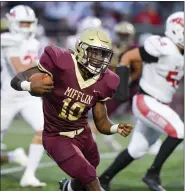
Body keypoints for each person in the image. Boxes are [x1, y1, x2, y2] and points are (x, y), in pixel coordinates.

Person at [10, 28, 133, 191]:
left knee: (87, 173)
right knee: (89, 175)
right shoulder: (61, 61)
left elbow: (101, 121)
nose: (98, 59)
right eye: (94, 52)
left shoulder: (108, 80)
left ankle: (68, 188)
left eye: (103, 54)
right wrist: (28, 85)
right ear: (81, 49)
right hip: (56, 136)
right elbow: (17, 79)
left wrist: (116, 127)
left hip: (84, 134)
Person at [99, 11, 184, 191]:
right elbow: (128, 57)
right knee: (178, 130)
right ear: (177, 30)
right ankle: (152, 174)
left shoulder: (180, 53)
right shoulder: (163, 46)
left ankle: (103, 180)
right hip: (146, 100)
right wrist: (121, 90)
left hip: (160, 104)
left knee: (136, 150)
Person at [1, 5, 46, 187]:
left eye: (29, 23)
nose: (26, 27)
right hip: (9, 97)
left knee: (44, 129)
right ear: (12, 23)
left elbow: (34, 64)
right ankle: (13, 156)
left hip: (29, 96)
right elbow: (19, 69)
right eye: (22, 23)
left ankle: (29, 175)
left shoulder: (34, 42)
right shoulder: (7, 40)